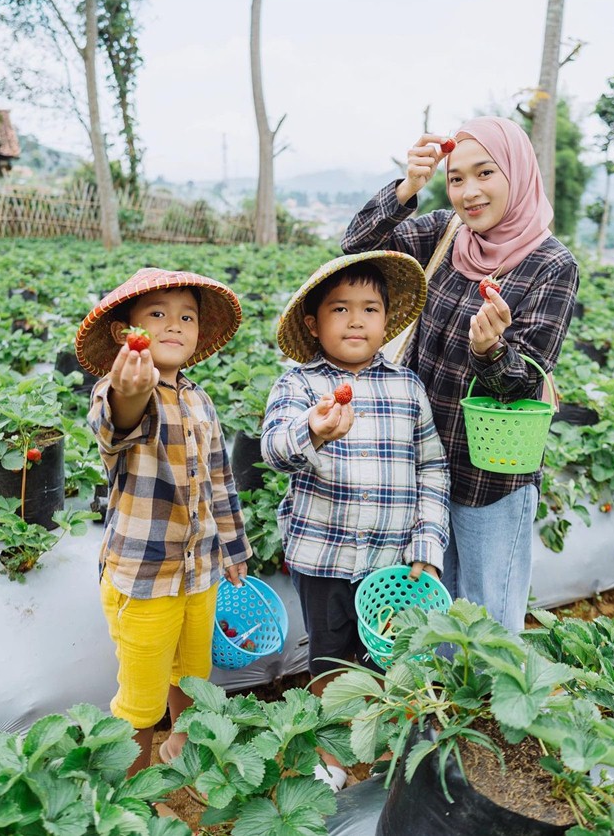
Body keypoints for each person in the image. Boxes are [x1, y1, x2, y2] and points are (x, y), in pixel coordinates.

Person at [341, 116, 579, 634]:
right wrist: (408, 187)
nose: (469, 192)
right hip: (421, 462)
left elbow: (523, 381)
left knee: (488, 615)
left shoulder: (550, 264)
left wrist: (489, 349)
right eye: (455, 179)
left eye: (485, 173)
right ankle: (437, 709)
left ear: (516, 172)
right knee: (429, 609)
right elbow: (356, 253)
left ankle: (488, 715)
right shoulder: (445, 235)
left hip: (490, 472)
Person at [261, 251, 450, 791]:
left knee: (386, 661)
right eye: (339, 309)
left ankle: (383, 748)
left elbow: (432, 469)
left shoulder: (408, 388)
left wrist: (427, 547)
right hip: (322, 557)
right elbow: (274, 448)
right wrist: (313, 432)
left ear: (387, 321)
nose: (355, 320)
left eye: (369, 309)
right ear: (312, 323)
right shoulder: (297, 387)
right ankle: (328, 755)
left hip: (391, 565)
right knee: (327, 658)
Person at [75, 267, 252, 778]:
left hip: (199, 572)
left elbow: (221, 480)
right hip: (145, 578)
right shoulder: (123, 390)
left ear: (198, 332)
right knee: (142, 696)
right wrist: (130, 389)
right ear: (123, 332)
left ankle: (183, 746)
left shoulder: (200, 399)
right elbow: (117, 422)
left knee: (193, 674)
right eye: (157, 315)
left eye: (186, 316)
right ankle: (132, 794)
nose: (174, 324)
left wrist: (234, 551)